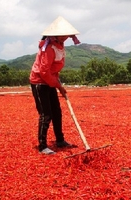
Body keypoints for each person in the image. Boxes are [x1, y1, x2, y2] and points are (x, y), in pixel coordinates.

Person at [29, 16, 81, 155]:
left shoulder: (59, 45)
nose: (65, 37)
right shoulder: (49, 47)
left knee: (57, 112)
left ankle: (60, 140)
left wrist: (57, 83)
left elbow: (53, 69)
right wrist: (59, 86)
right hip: (40, 82)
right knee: (46, 114)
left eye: (67, 34)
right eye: (62, 34)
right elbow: (44, 71)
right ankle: (42, 145)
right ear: (55, 34)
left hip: (50, 80)